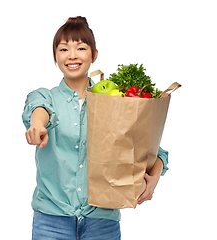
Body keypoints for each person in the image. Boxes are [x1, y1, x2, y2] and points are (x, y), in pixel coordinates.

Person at [22, 16, 169, 240]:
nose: (72, 55)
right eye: (63, 49)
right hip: (51, 221)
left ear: (94, 55)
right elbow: (39, 110)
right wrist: (37, 125)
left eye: (81, 47)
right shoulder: (45, 96)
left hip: (102, 221)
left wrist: (155, 176)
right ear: (55, 56)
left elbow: (150, 150)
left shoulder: (116, 103)